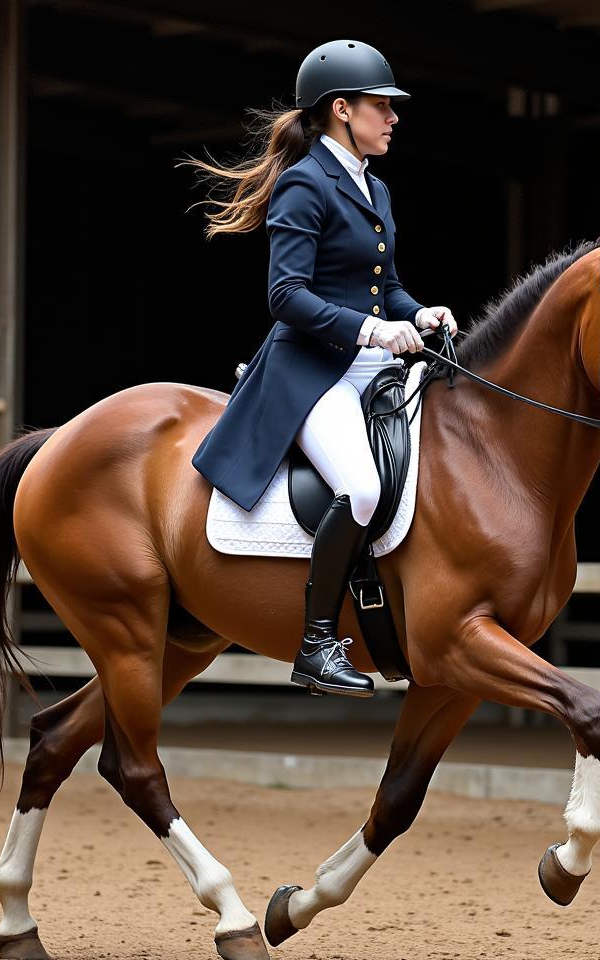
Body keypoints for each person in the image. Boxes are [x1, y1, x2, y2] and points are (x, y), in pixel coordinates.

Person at [185, 39, 457, 698]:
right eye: (381, 107)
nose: (392, 118)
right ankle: (315, 644)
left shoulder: (376, 187)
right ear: (342, 109)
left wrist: (420, 314)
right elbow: (287, 295)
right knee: (362, 489)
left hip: (369, 368)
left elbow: (383, 286)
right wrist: (371, 329)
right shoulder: (305, 182)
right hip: (311, 375)